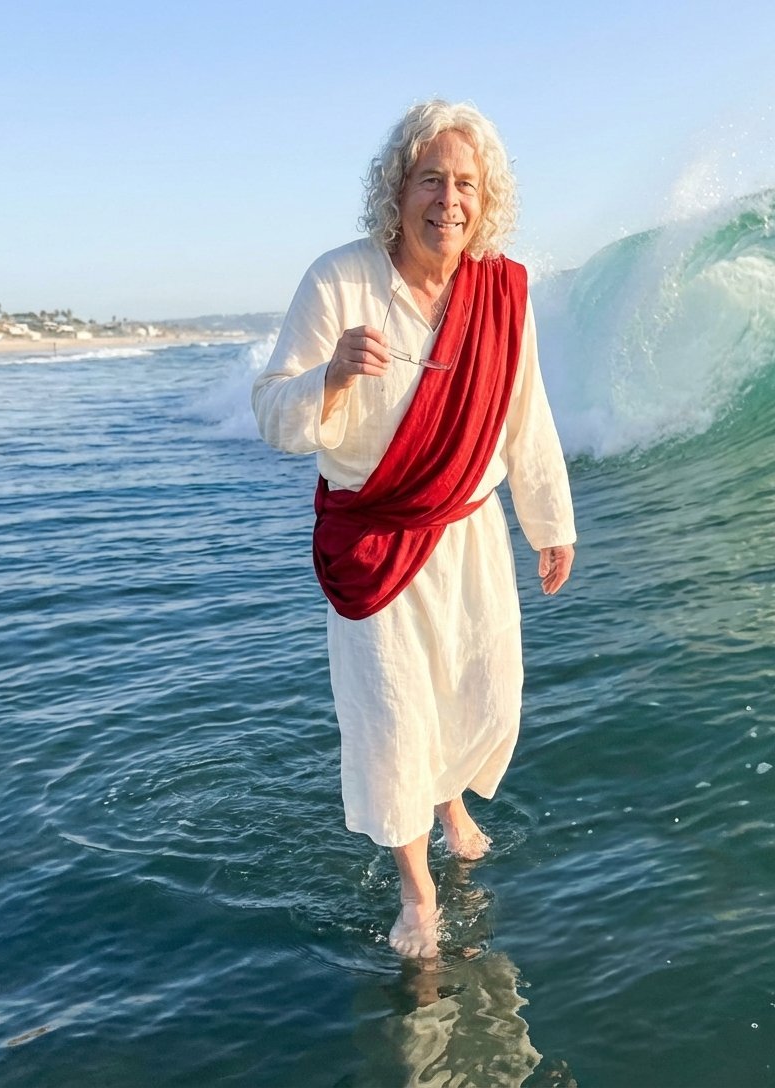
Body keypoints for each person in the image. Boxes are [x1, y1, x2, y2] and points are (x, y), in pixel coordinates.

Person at [252, 99, 575, 958]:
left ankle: (451, 800)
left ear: (487, 197)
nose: (449, 200)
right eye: (431, 179)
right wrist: (328, 376)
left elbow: (525, 414)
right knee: (393, 712)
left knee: (479, 689)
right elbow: (273, 414)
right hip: (376, 538)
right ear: (397, 189)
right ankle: (417, 890)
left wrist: (550, 522)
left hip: (470, 533)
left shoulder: (502, 292)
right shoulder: (339, 280)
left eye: (466, 183)